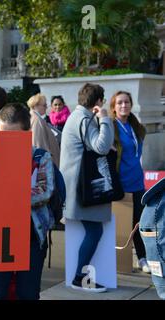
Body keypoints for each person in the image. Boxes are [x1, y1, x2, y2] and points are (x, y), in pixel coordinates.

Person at [0, 103, 55, 300]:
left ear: (28, 133)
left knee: (27, 292)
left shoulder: (40, 156)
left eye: (15, 136)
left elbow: (44, 191)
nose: (8, 141)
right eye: (3, 135)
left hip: (32, 237)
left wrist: (6, 196)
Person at [60, 83, 114, 293]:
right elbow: (100, 146)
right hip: (81, 188)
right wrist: (105, 118)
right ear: (98, 101)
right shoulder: (84, 119)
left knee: (94, 230)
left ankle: (79, 276)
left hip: (76, 186)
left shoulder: (77, 116)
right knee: (94, 230)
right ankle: (79, 277)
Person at [109, 91, 149, 273]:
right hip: (121, 183)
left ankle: (142, 258)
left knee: (139, 223)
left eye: (126, 102)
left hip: (137, 182)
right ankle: (120, 262)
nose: (124, 105)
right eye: (120, 103)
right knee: (122, 225)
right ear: (114, 107)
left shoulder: (135, 126)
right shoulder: (111, 126)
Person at [27, 93, 61, 166]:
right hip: (45, 164)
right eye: (44, 105)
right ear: (35, 106)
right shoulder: (36, 120)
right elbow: (38, 143)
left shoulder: (36, 118)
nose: (46, 107)